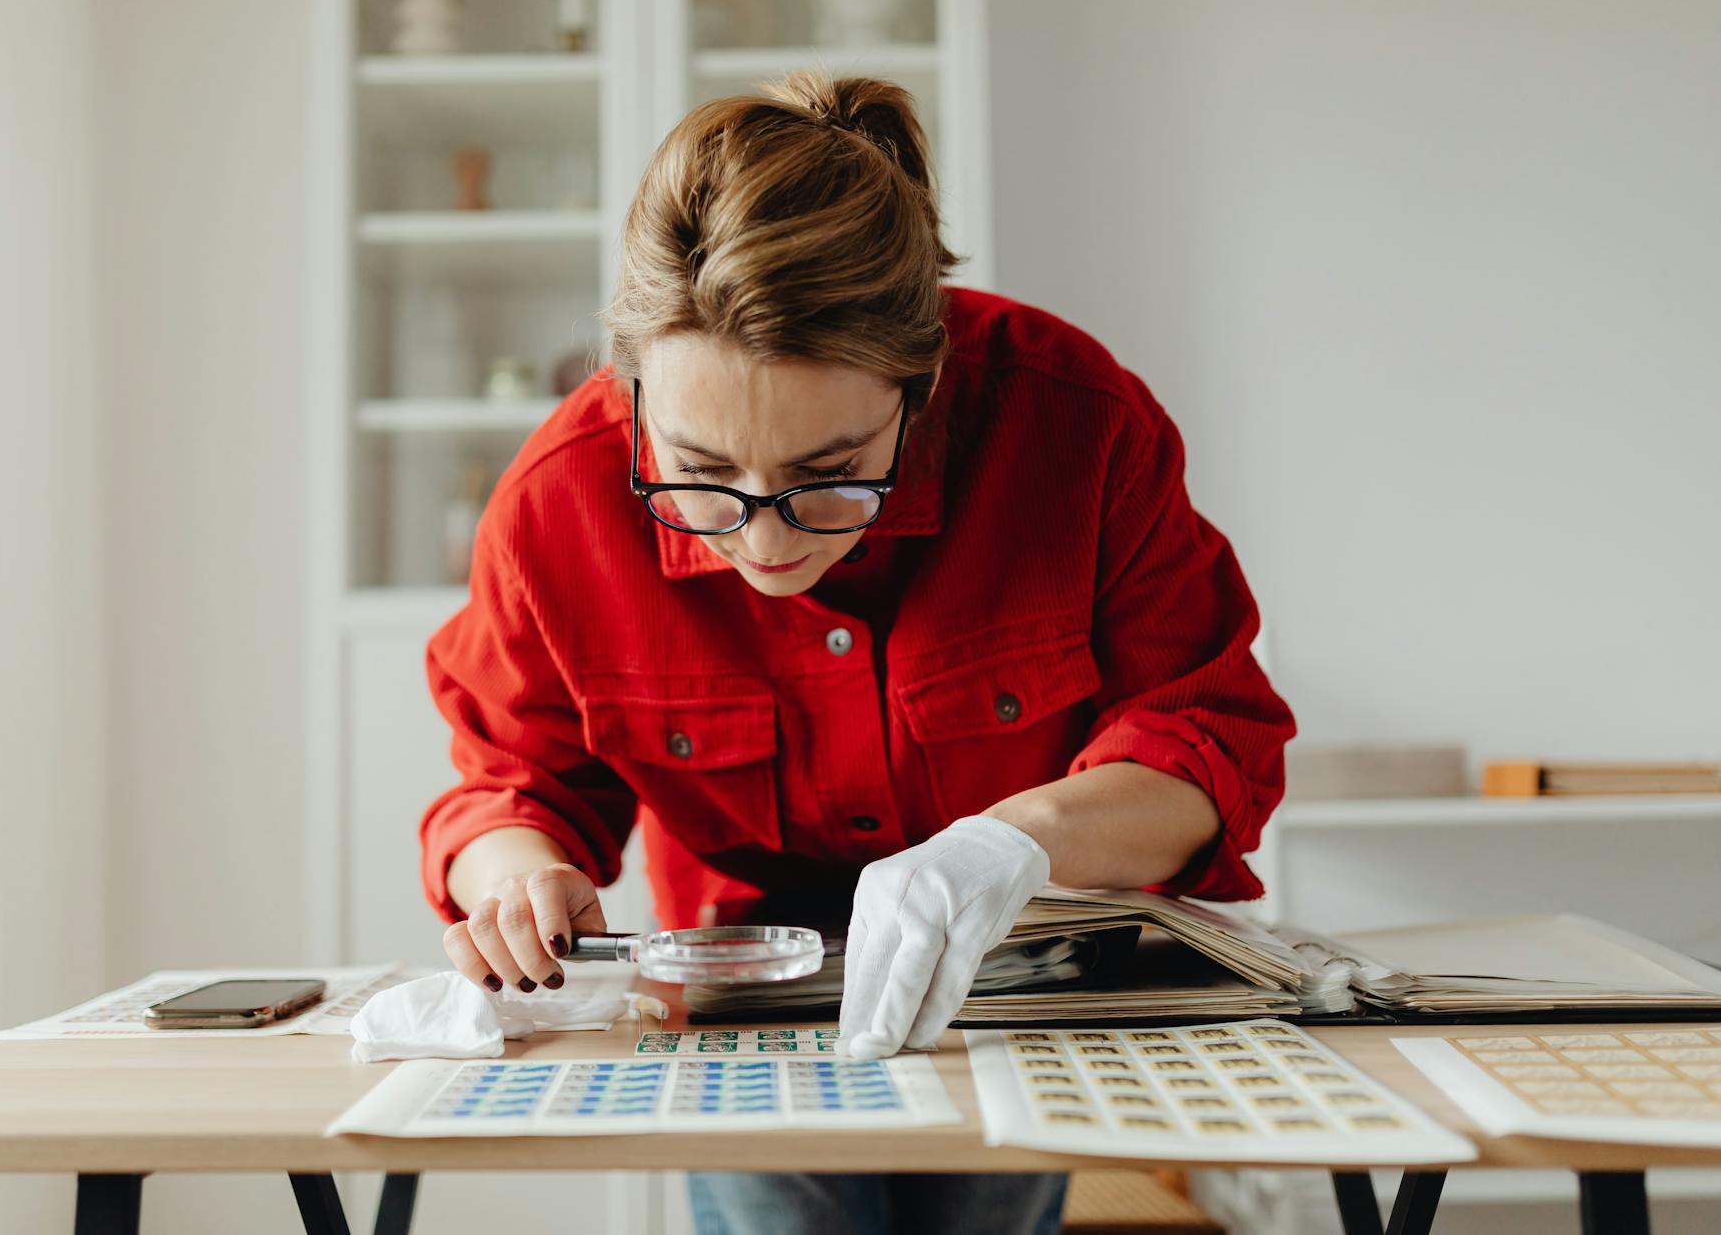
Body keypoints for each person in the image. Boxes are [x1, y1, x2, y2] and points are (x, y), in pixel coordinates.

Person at [420, 69, 1295, 1235]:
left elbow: (1206, 739)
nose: (763, 537)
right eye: (699, 471)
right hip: (736, 988)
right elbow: (510, 781)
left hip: (1009, 966)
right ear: (630, 383)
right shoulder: (554, 501)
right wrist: (515, 879)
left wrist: (1013, 842)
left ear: (917, 382)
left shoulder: (1073, 424)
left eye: (826, 473)